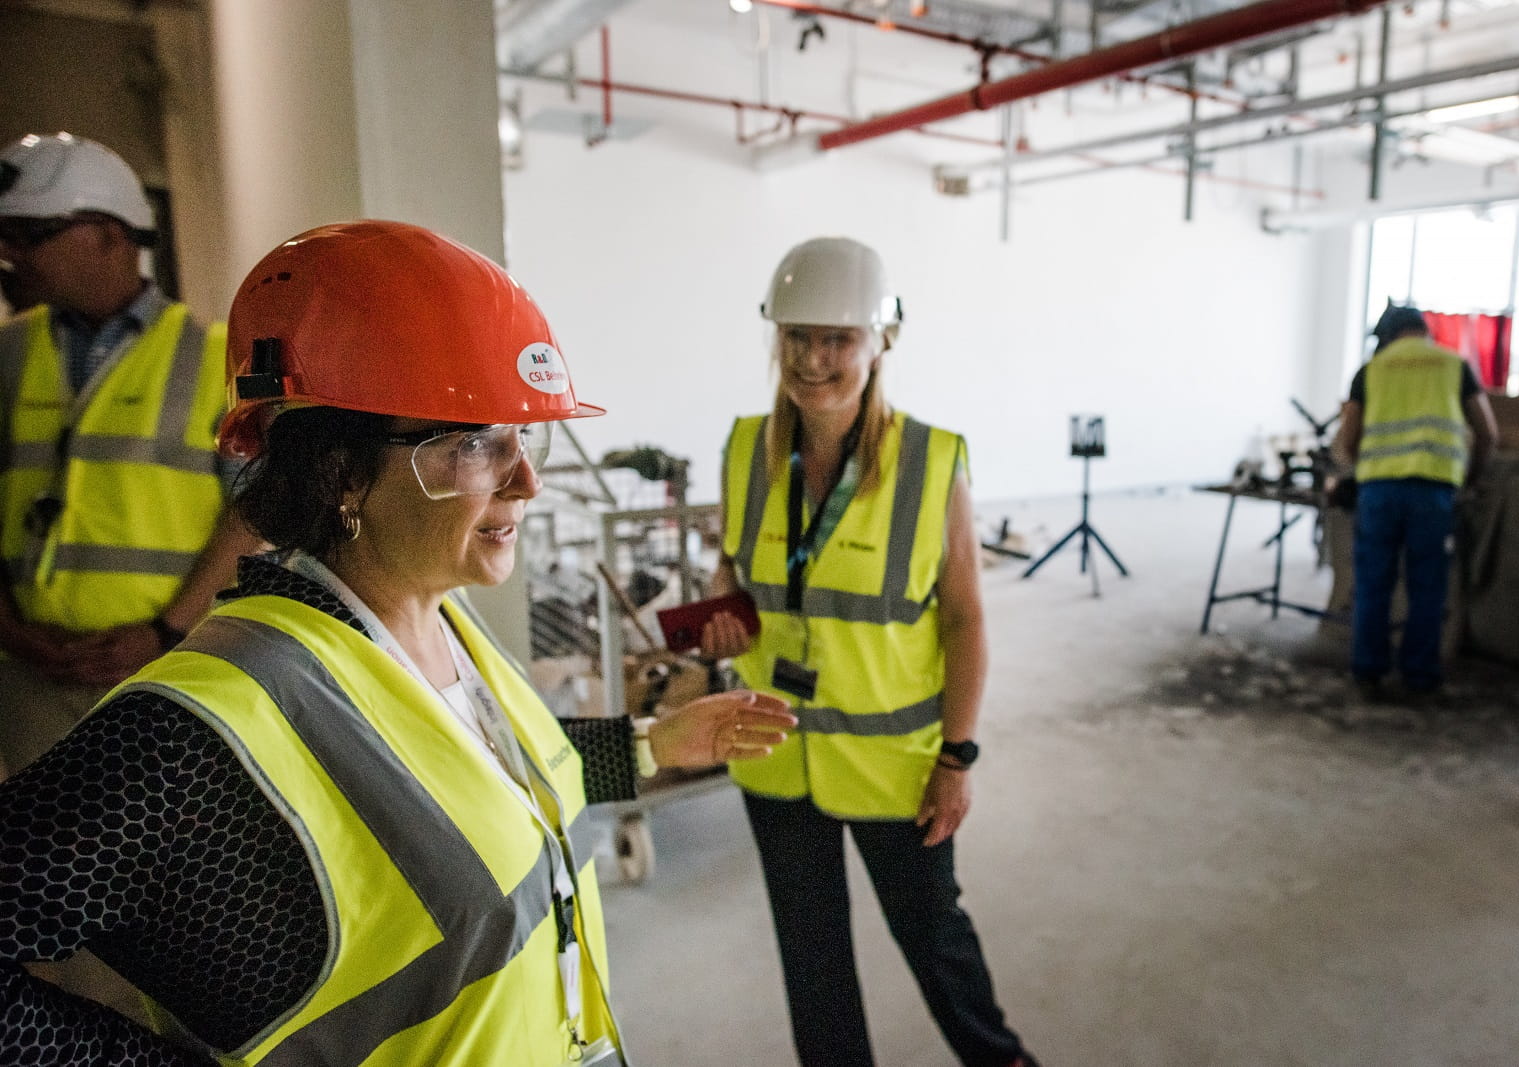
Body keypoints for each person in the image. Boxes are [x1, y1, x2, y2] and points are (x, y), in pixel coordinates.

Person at [0, 219, 795, 1065]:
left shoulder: (444, 621)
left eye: (524, 436)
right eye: (477, 441)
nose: (527, 481)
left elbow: (472, 792)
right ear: (340, 471)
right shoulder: (211, 718)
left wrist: (648, 745)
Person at [700, 236, 1035, 1067]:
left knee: (937, 945)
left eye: (837, 339)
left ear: (880, 342)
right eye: (797, 336)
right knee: (811, 962)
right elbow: (733, 568)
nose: (812, 359)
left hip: (895, 767)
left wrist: (957, 757)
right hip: (775, 751)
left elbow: (965, 621)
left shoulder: (931, 462)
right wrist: (723, 609)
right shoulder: (744, 449)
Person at [0, 132, 262, 778]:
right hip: (32, 680)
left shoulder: (217, 357)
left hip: (169, 669)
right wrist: (10, 628)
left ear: (109, 235)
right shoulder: (7, 354)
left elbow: (255, 511)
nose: (10, 254)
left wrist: (165, 631)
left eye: (30, 235)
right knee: (46, 842)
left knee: (165, 838)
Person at [1333, 302, 1498, 698]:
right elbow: (1488, 433)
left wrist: (1355, 474)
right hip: (1434, 491)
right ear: (1424, 331)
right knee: (1428, 586)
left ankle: (1368, 671)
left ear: (1387, 337)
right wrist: (1470, 478)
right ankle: (1420, 676)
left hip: (1379, 491)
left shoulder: (1371, 370)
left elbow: (1344, 443)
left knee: (1373, 583)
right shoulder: (1453, 366)